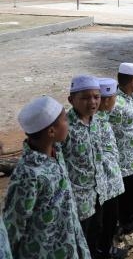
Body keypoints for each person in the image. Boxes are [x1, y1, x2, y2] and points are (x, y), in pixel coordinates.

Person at [3, 96, 90, 258]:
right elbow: (13, 224)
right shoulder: (28, 174)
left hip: (69, 243)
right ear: (51, 131)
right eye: (65, 120)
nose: (69, 123)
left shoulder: (56, 151)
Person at [61, 75, 106, 256]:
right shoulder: (64, 127)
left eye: (96, 97)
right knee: (81, 240)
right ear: (71, 100)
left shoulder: (96, 120)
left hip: (98, 192)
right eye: (85, 98)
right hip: (78, 201)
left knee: (96, 232)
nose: (92, 102)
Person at [110, 62, 133, 233]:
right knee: (128, 191)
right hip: (125, 160)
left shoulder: (130, 97)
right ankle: (127, 221)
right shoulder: (117, 105)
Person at [95, 78, 127, 259]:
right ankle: (106, 251)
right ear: (107, 100)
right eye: (114, 97)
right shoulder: (96, 122)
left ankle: (108, 247)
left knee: (110, 218)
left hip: (112, 180)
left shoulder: (104, 117)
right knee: (105, 220)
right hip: (104, 184)